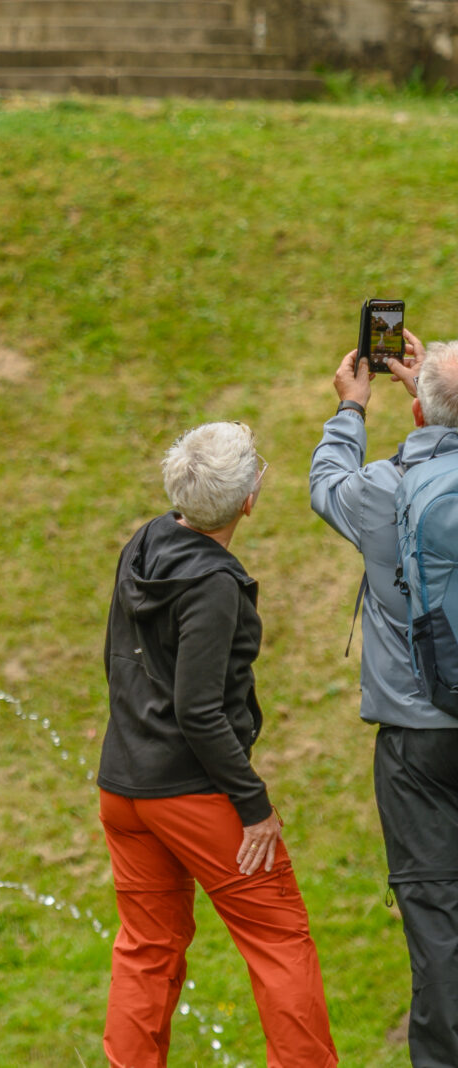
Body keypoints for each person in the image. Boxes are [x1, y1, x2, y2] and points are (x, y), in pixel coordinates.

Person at [99, 421, 337, 1068]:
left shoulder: (143, 543)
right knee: (280, 939)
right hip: (194, 793)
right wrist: (253, 805)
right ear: (249, 501)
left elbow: (119, 663)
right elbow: (198, 710)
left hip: (123, 785)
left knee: (146, 948)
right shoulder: (212, 583)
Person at [311, 331, 458, 1068]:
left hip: (414, 737)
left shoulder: (382, 489)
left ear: (421, 413)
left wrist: (354, 407)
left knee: (435, 918)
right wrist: (435, 391)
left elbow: (324, 484)